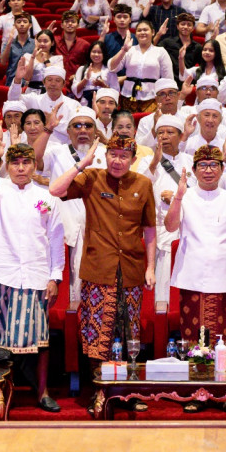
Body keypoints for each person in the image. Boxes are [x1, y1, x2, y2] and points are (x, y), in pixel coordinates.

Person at [48, 134, 156, 414]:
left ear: (133, 159)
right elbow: (55, 190)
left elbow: (150, 229)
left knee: (129, 332)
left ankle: (128, 393)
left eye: (124, 156)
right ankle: (100, 392)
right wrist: (81, 164)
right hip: (98, 269)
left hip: (131, 269)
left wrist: (151, 267)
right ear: (105, 156)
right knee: (98, 334)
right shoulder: (92, 177)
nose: (117, 161)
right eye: (113, 155)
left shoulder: (143, 184)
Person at [0, 143, 64, 413]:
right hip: (7, 274)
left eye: (26, 163)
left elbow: (56, 240)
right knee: (5, 338)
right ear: (8, 166)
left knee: (41, 339)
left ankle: (42, 392)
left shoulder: (47, 197)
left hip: (38, 276)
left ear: (34, 166)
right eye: (15, 163)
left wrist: (55, 277)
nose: (21, 168)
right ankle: (2, 392)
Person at [164, 145, 226, 414]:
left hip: (225, 279)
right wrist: (178, 197)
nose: (209, 170)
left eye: (214, 165)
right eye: (203, 165)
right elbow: (169, 227)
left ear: (223, 170)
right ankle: (194, 392)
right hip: (192, 277)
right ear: (194, 170)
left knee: (224, 337)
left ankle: (224, 393)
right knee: (192, 337)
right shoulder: (185, 197)